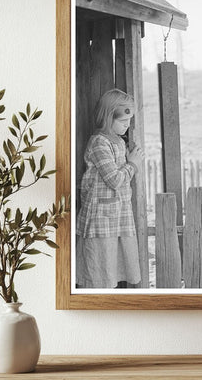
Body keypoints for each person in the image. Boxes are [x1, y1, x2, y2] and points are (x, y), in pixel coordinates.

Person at [76, 89, 144, 288]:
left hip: (118, 216)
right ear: (108, 118)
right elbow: (114, 179)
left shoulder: (118, 143)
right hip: (100, 219)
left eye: (129, 122)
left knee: (112, 267)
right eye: (123, 122)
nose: (127, 126)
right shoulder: (99, 143)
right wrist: (133, 164)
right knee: (100, 269)